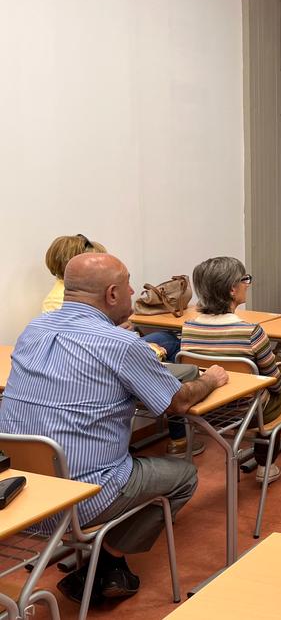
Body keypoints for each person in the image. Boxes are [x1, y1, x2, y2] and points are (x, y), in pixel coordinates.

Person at [0, 253, 229, 604]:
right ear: (111, 294)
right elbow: (179, 403)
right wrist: (211, 379)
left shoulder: (34, 329)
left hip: (25, 491)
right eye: (128, 285)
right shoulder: (121, 346)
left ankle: (92, 553)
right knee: (184, 475)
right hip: (83, 499)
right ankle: (109, 558)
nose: (134, 291)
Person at [41, 234, 197, 457]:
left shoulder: (54, 301)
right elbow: (96, 343)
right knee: (170, 343)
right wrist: (127, 339)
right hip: (101, 360)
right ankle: (177, 434)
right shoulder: (66, 300)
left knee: (162, 341)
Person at [183, 257, 281, 484]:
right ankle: (268, 465)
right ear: (232, 290)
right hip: (248, 414)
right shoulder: (251, 331)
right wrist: (277, 384)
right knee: (273, 387)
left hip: (207, 411)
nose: (248, 284)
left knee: (277, 365)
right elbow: (273, 381)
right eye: (245, 279)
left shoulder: (189, 328)